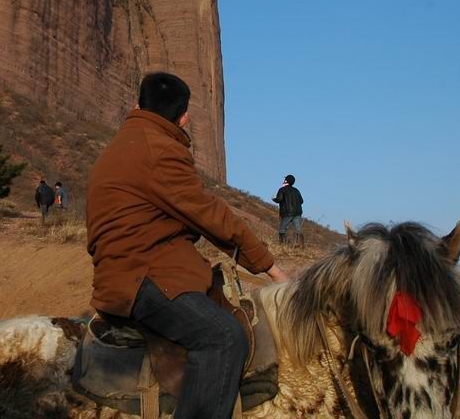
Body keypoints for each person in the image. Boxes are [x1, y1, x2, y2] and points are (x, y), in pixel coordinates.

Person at [86, 72, 288, 419]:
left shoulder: (122, 144)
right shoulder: (160, 149)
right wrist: (271, 268)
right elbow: (211, 216)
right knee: (224, 338)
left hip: (122, 272)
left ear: (137, 105)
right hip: (144, 278)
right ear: (184, 118)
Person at [272, 174, 304, 245]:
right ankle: (300, 245)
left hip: (287, 213)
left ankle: (283, 245)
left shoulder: (282, 189)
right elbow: (301, 201)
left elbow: (279, 199)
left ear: (286, 181)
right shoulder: (296, 190)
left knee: (282, 229)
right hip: (297, 213)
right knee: (298, 230)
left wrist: (274, 199)